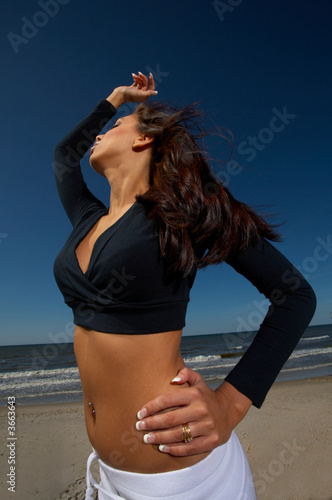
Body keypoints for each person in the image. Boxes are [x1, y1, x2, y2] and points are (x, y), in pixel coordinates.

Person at [53, 72, 316, 500]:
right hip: (110, 479)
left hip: (183, 480)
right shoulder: (87, 219)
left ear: (144, 141)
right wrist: (117, 100)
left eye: (115, 126)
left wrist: (230, 404)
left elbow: (295, 296)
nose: (100, 134)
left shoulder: (181, 208)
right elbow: (64, 154)